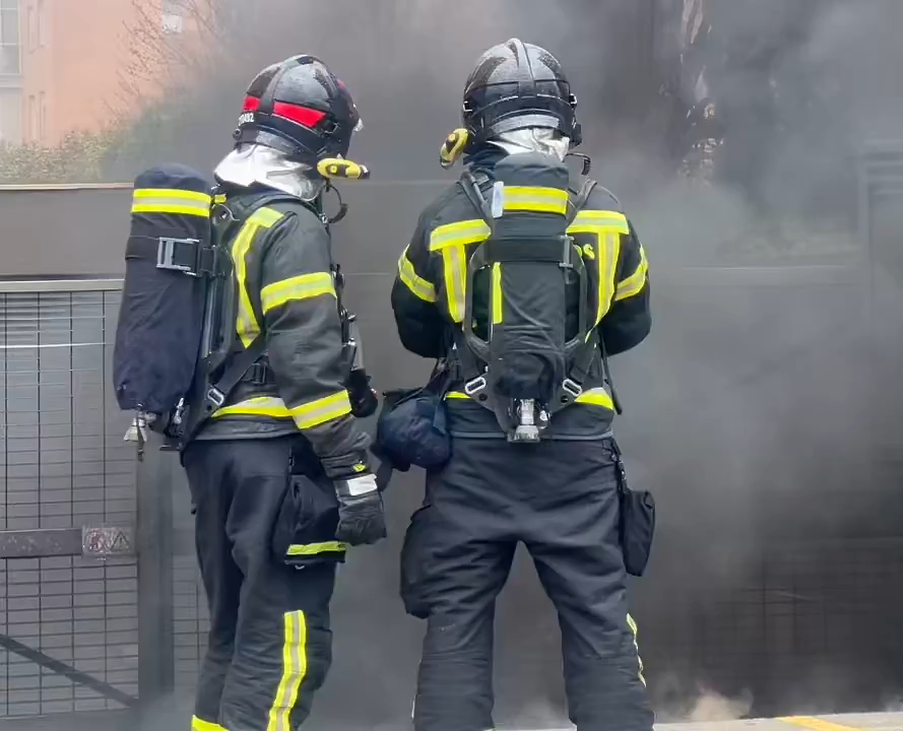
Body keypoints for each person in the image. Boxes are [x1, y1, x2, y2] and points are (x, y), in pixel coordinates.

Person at [391, 38, 654, 731]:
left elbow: (414, 328)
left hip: (471, 455)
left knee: (456, 620)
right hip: (577, 453)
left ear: (477, 121)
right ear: (565, 118)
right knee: (599, 618)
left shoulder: (445, 218)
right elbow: (632, 325)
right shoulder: (606, 214)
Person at [182, 55, 387, 731]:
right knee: (285, 648)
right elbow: (307, 362)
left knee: (232, 637)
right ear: (325, 140)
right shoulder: (289, 223)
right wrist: (351, 469)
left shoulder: (217, 213)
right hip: (275, 459)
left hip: (213, 450)